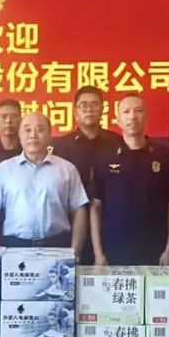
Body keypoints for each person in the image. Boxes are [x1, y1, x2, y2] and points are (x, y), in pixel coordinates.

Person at [89, 95, 169, 266]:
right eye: (126, 112)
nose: (132, 117)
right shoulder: (104, 156)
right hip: (114, 250)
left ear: (146, 117)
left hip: (155, 250)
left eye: (138, 111)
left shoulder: (164, 156)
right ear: (118, 120)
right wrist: (98, 253)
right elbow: (95, 207)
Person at [0, 112, 88, 252]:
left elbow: (79, 210)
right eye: (27, 130)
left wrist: (75, 251)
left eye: (40, 129)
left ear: (50, 136)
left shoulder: (67, 169)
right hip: (15, 247)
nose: (33, 135)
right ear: (19, 135)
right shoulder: (3, 170)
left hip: (57, 245)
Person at [51, 86, 121, 263]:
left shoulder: (117, 143)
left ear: (103, 109)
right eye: (83, 105)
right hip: (71, 223)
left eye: (94, 104)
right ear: (75, 111)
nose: (89, 109)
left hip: (110, 222)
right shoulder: (62, 146)